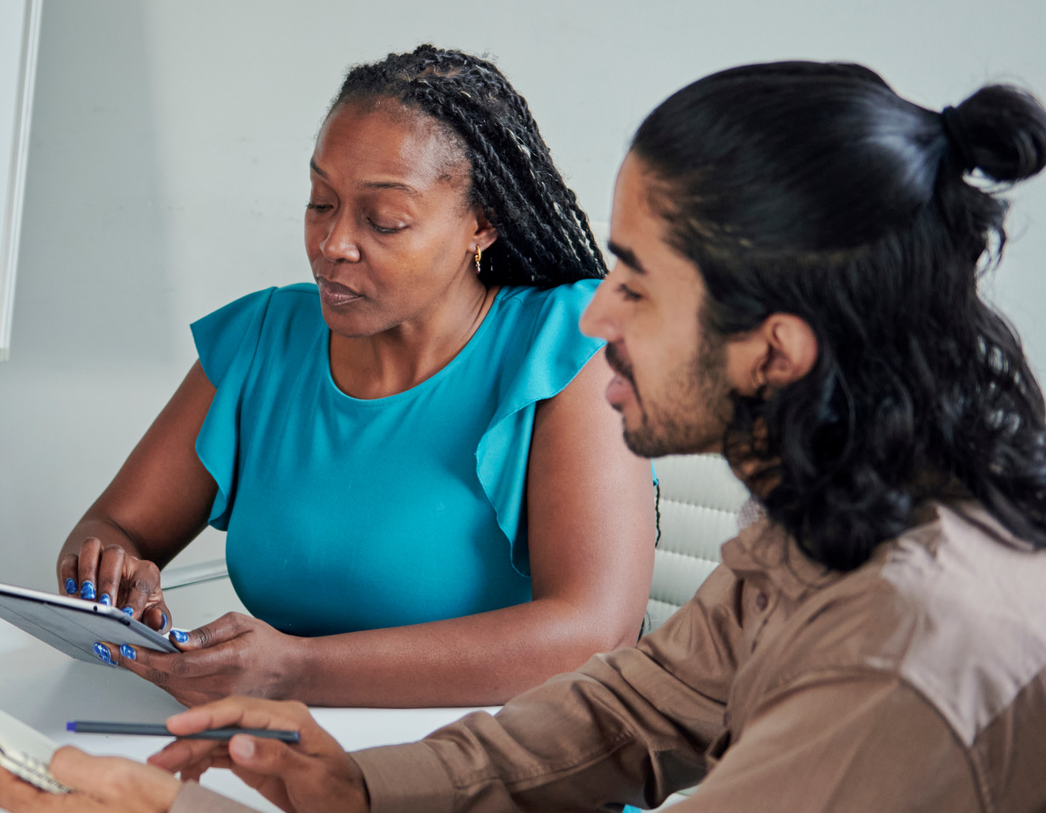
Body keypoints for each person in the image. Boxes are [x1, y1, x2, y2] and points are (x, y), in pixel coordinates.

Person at [0, 62, 1046, 813]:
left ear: (776, 350)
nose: (593, 315)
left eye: (638, 287)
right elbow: (646, 705)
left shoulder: (908, 658)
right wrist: (365, 789)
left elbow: (594, 658)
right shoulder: (846, 509)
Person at [59, 47, 656, 710]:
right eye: (321, 202)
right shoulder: (264, 339)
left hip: (493, 774)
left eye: (384, 221)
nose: (333, 243)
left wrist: (298, 670)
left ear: (482, 223)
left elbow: (592, 634)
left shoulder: (565, 348)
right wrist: (109, 570)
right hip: (276, 754)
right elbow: (116, 525)